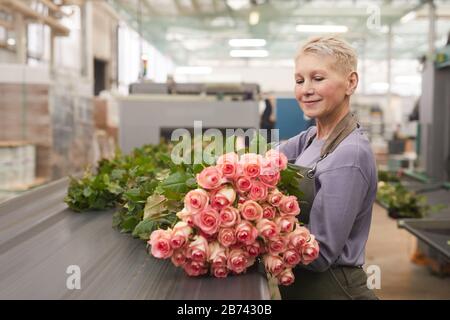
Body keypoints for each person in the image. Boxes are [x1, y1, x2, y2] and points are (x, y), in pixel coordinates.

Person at [277, 36, 378, 300]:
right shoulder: (309, 138)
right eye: (300, 81)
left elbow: (319, 254)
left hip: (334, 288)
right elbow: (262, 164)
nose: (306, 90)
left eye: (318, 78)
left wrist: (255, 236)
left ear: (350, 82)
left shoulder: (348, 156)